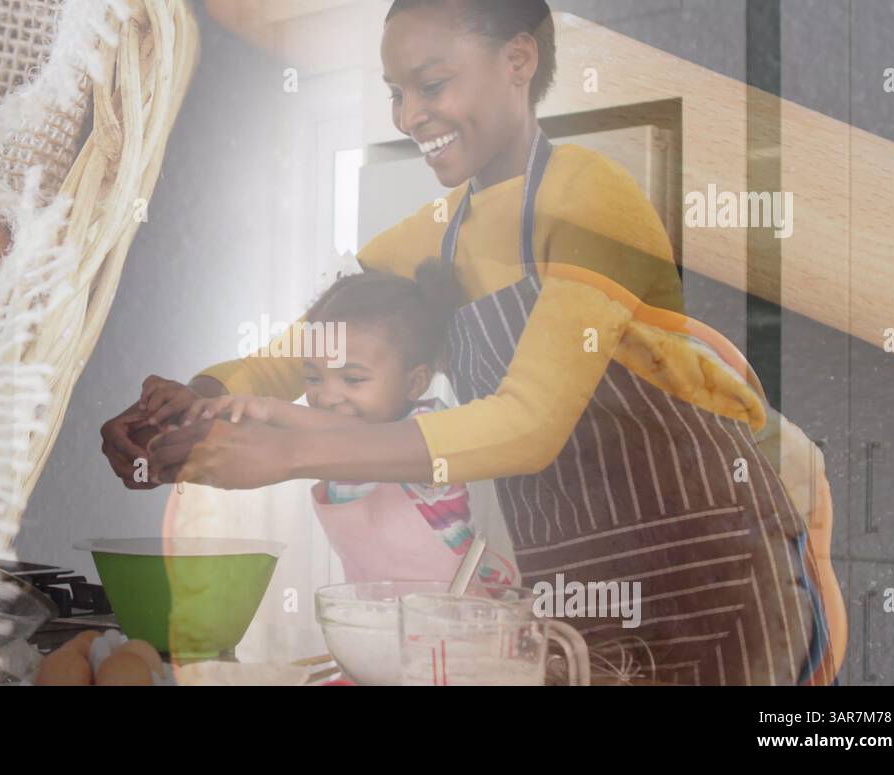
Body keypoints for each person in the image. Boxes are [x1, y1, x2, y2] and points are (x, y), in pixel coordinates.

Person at [102, 0, 832, 685]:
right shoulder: (430, 236)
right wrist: (193, 405)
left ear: (518, 61)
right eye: (396, 92)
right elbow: (293, 354)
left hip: (710, 572)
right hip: (569, 590)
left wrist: (296, 447)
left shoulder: (589, 198)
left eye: (432, 83)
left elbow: (528, 423)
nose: (411, 114)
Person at [179, 269, 519, 586]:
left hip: (456, 626)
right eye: (313, 377)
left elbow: (338, 436)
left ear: (414, 383)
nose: (326, 396)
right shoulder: (322, 440)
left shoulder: (427, 429)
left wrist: (268, 408)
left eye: (353, 379)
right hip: (379, 621)